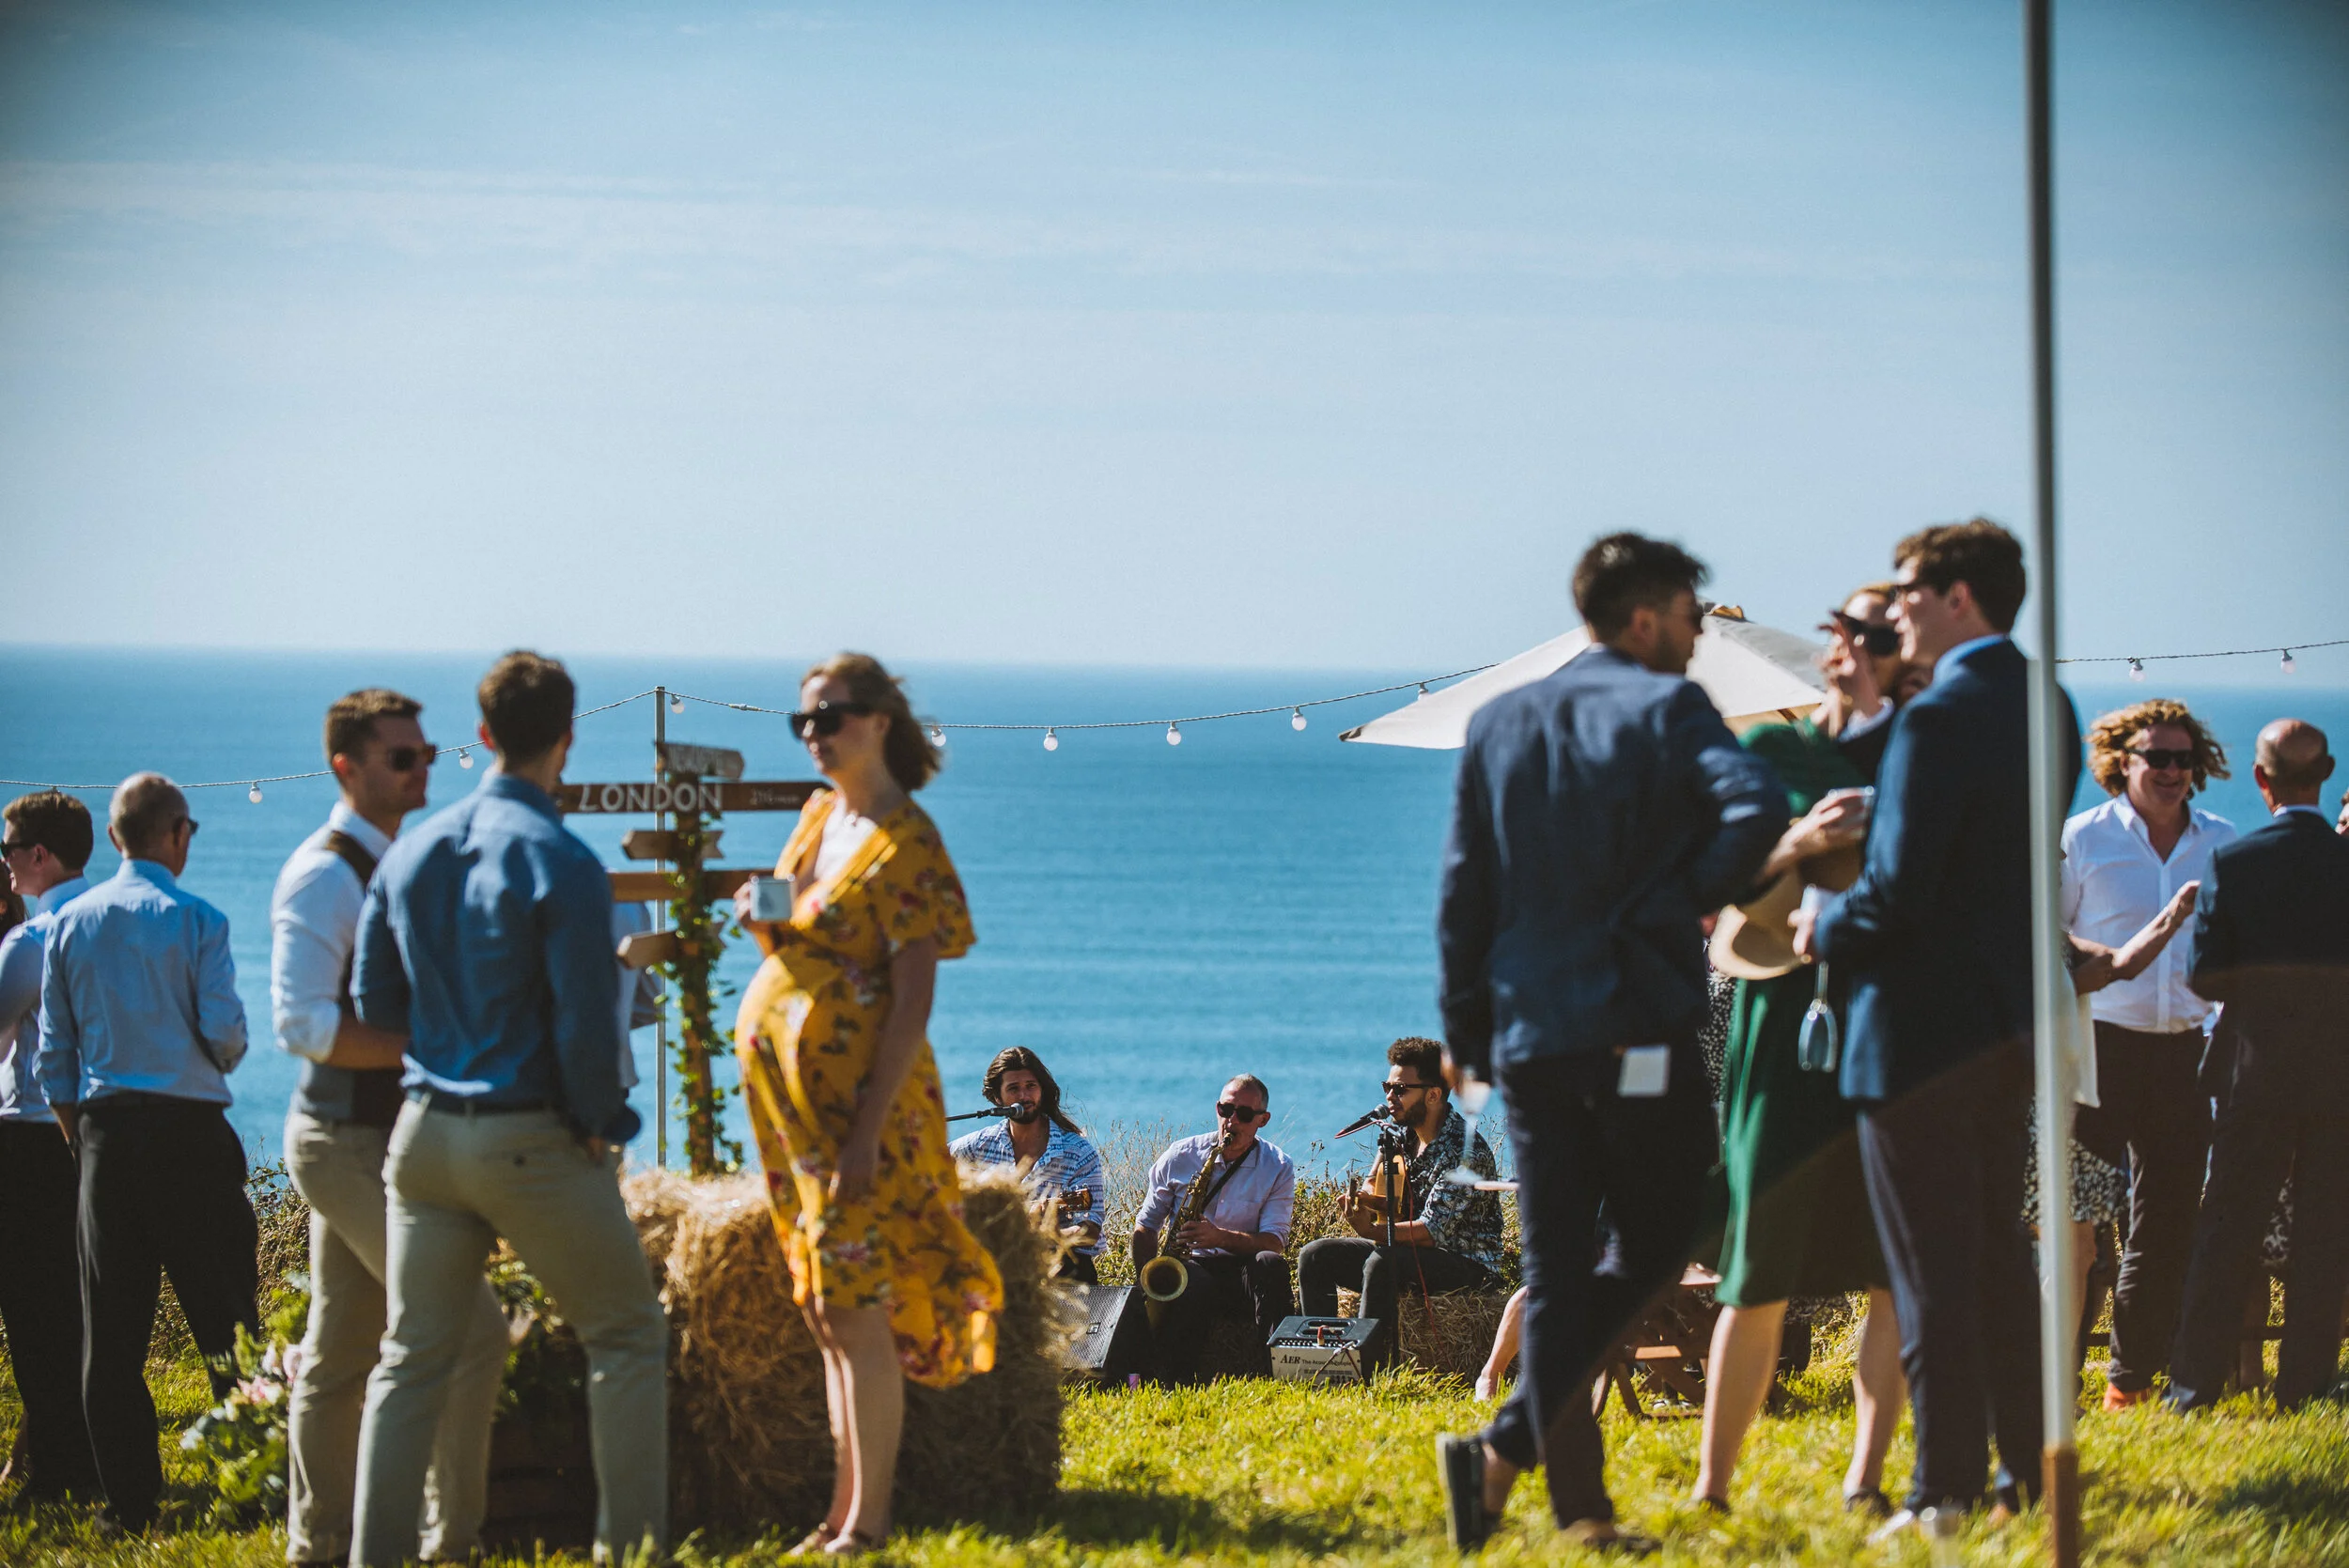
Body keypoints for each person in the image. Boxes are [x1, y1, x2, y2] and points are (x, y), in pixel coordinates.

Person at [1433, 533, 1786, 1557]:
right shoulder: (1671, 707)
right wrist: (1677, 897)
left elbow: (1465, 886)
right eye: (1687, 617)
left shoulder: (1498, 719)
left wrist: (1464, 1025)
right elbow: (1757, 804)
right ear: (1645, 618)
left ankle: (1563, 1501)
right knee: (1663, 1232)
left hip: (1528, 1032)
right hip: (1635, 1019)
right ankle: (1517, 1455)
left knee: (1554, 1267)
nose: (1692, 638)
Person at [348, 652, 666, 1567]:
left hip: (422, 1135)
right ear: (568, 737)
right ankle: (633, 1554)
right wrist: (607, 1125)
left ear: (482, 735)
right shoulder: (561, 859)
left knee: (410, 1359)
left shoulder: (409, 851)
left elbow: (374, 1004)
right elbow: (584, 1023)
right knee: (628, 1336)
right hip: (527, 1133)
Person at [1794, 519, 2080, 1533]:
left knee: (1927, 1275)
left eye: (1910, 587)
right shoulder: (2046, 702)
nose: (1896, 604)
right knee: (1999, 1262)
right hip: (2003, 1027)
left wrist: (1821, 916)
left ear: (1958, 596)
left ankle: (1941, 1491)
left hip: (1913, 1035)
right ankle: (2029, 1474)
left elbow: (1898, 897)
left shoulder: (1937, 716)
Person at [733, 652, 1003, 1558]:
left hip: (862, 1116)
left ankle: (870, 1520)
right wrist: (758, 909)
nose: (814, 735)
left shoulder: (907, 842)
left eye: (831, 717)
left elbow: (912, 997)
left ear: (880, 720)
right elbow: (797, 919)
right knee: (823, 1308)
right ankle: (839, 1511)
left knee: (856, 1308)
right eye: (803, 721)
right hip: (794, 1113)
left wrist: (868, 1129)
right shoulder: (820, 816)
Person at [273, 690, 506, 1566]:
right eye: (400, 758)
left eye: (426, 755)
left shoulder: (396, 859)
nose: (422, 770)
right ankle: (452, 1547)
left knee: (338, 1351)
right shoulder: (324, 874)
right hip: (344, 1142)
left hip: (377, 1136)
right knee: (472, 1330)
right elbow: (302, 1025)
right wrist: (431, 1049)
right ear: (346, 767)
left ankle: (319, 1546)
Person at [1693, 584, 1908, 1516]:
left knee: (1890, 1266)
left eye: (1884, 636)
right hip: (1781, 1016)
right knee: (1757, 1267)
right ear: (1831, 645)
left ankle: (1865, 1476)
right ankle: (1712, 1487)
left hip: (1890, 1016)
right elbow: (1713, 873)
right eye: (1852, 630)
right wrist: (1799, 838)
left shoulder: (1919, 752)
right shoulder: (1773, 750)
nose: (1860, 648)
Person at [38, 773, 256, 1532]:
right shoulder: (199, 919)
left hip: (103, 1134)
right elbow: (226, 1039)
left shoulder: (69, 922)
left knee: (113, 1331)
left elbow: (52, 1058)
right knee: (227, 1319)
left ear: (113, 837)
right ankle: (251, 1481)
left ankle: (129, 1503)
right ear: (176, 834)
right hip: (190, 1133)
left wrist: (81, 1140)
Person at [2166, 719, 2349, 1413]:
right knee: (2326, 1234)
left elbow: (2207, 977)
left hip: (2256, 1070)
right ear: (2326, 772)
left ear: (2260, 779)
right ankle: (2304, 1387)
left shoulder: (2235, 862)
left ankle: (2193, 1388)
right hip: (2340, 1074)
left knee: (2225, 1233)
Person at [2057, 699, 2234, 1409]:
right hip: (2097, 1048)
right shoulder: (2084, 839)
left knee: (2164, 1226)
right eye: (2156, 756)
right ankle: (2057, 1378)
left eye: (2183, 758)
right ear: (2121, 762)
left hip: (2184, 1053)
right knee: (2080, 1229)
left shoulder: (2220, 841)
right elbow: (2054, 946)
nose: (2170, 770)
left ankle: (2128, 1382)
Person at [0, 791, 101, 1505]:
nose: (4, 863)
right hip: (99, 1133)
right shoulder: (115, 921)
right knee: (84, 1302)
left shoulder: (32, 942)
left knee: (33, 1308)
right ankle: (85, 1451)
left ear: (38, 856)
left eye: (9, 849)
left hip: (29, 1135)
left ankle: (57, 1466)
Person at [1298, 1037, 1503, 1374]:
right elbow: (1375, 1181)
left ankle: (1365, 1371)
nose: (1389, 1098)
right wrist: (1363, 1200)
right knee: (1315, 1255)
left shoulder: (1465, 1153)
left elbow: (1431, 1231)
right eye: (1387, 1087)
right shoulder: (1398, 1134)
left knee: (1382, 1261)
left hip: (1467, 1263)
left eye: (1400, 1089)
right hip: (1409, 1252)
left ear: (1433, 1094)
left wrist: (1372, 1230)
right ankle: (1321, 1362)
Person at [1132, 1074, 1299, 1385]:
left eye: (1244, 1115)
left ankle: (1278, 1371)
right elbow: (1146, 1226)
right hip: (1192, 1269)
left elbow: (1273, 1242)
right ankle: (1179, 1380)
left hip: (1240, 1273)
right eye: (1225, 1110)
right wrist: (1148, 1283)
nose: (1232, 1121)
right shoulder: (1181, 1155)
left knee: (1271, 1266)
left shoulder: (1278, 1166)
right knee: (1195, 1281)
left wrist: (1220, 1237)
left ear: (1263, 1120)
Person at [949, 1047, 1108, 1284]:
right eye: (1013, 1089)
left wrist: (1048, 1235)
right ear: (997, 1098)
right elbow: (930, 1164)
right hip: (993, 1266)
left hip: (1060, 1270)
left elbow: (1089, 1231)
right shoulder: (977, 1147)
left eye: (1030, 1086)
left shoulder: (1077, 1152)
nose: (1024, 1096)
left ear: (1042, 1090)